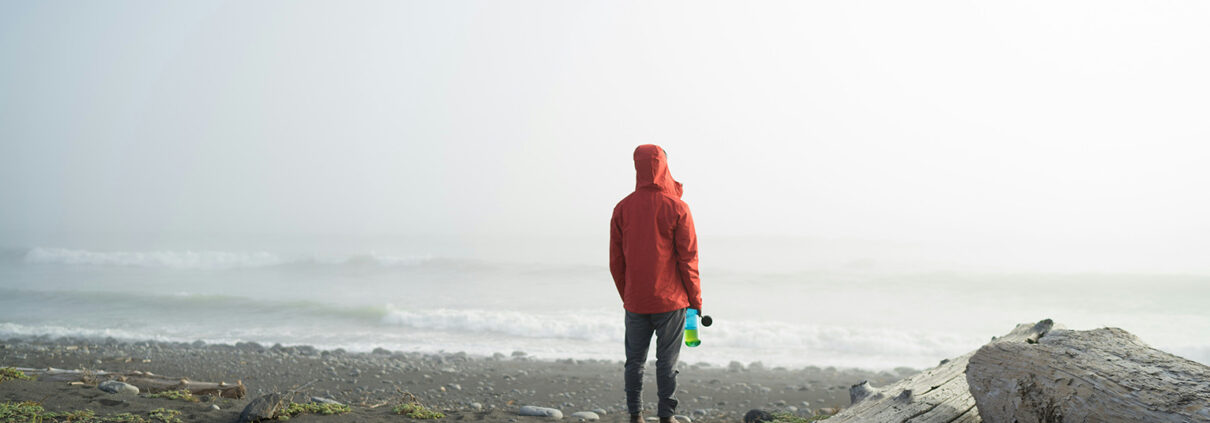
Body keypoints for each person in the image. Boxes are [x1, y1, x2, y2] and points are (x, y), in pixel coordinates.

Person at [610, 144, 703, 423]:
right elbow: (689, 260)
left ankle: (635, 415)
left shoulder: (623, 208)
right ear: (664, 165)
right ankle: (666, 417)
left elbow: (616, 262)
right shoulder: (677, 207)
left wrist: (628, 294)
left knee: (634, 362)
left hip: (636, 301)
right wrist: (696, 301)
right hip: (671, 301)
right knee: (667, 363)